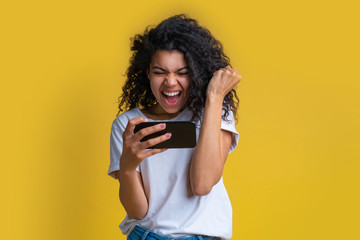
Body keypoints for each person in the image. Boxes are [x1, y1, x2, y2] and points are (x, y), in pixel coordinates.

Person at [108, 14, 241, 240]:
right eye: (160, 72)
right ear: (148, 73)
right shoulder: (128, 124)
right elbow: (138, 211)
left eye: (183, 73)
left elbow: (202, 184)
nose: (170, 82)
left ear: (197, 74)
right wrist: (128, 168)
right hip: (147, 236)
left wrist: (215, 96)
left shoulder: (215, 112)